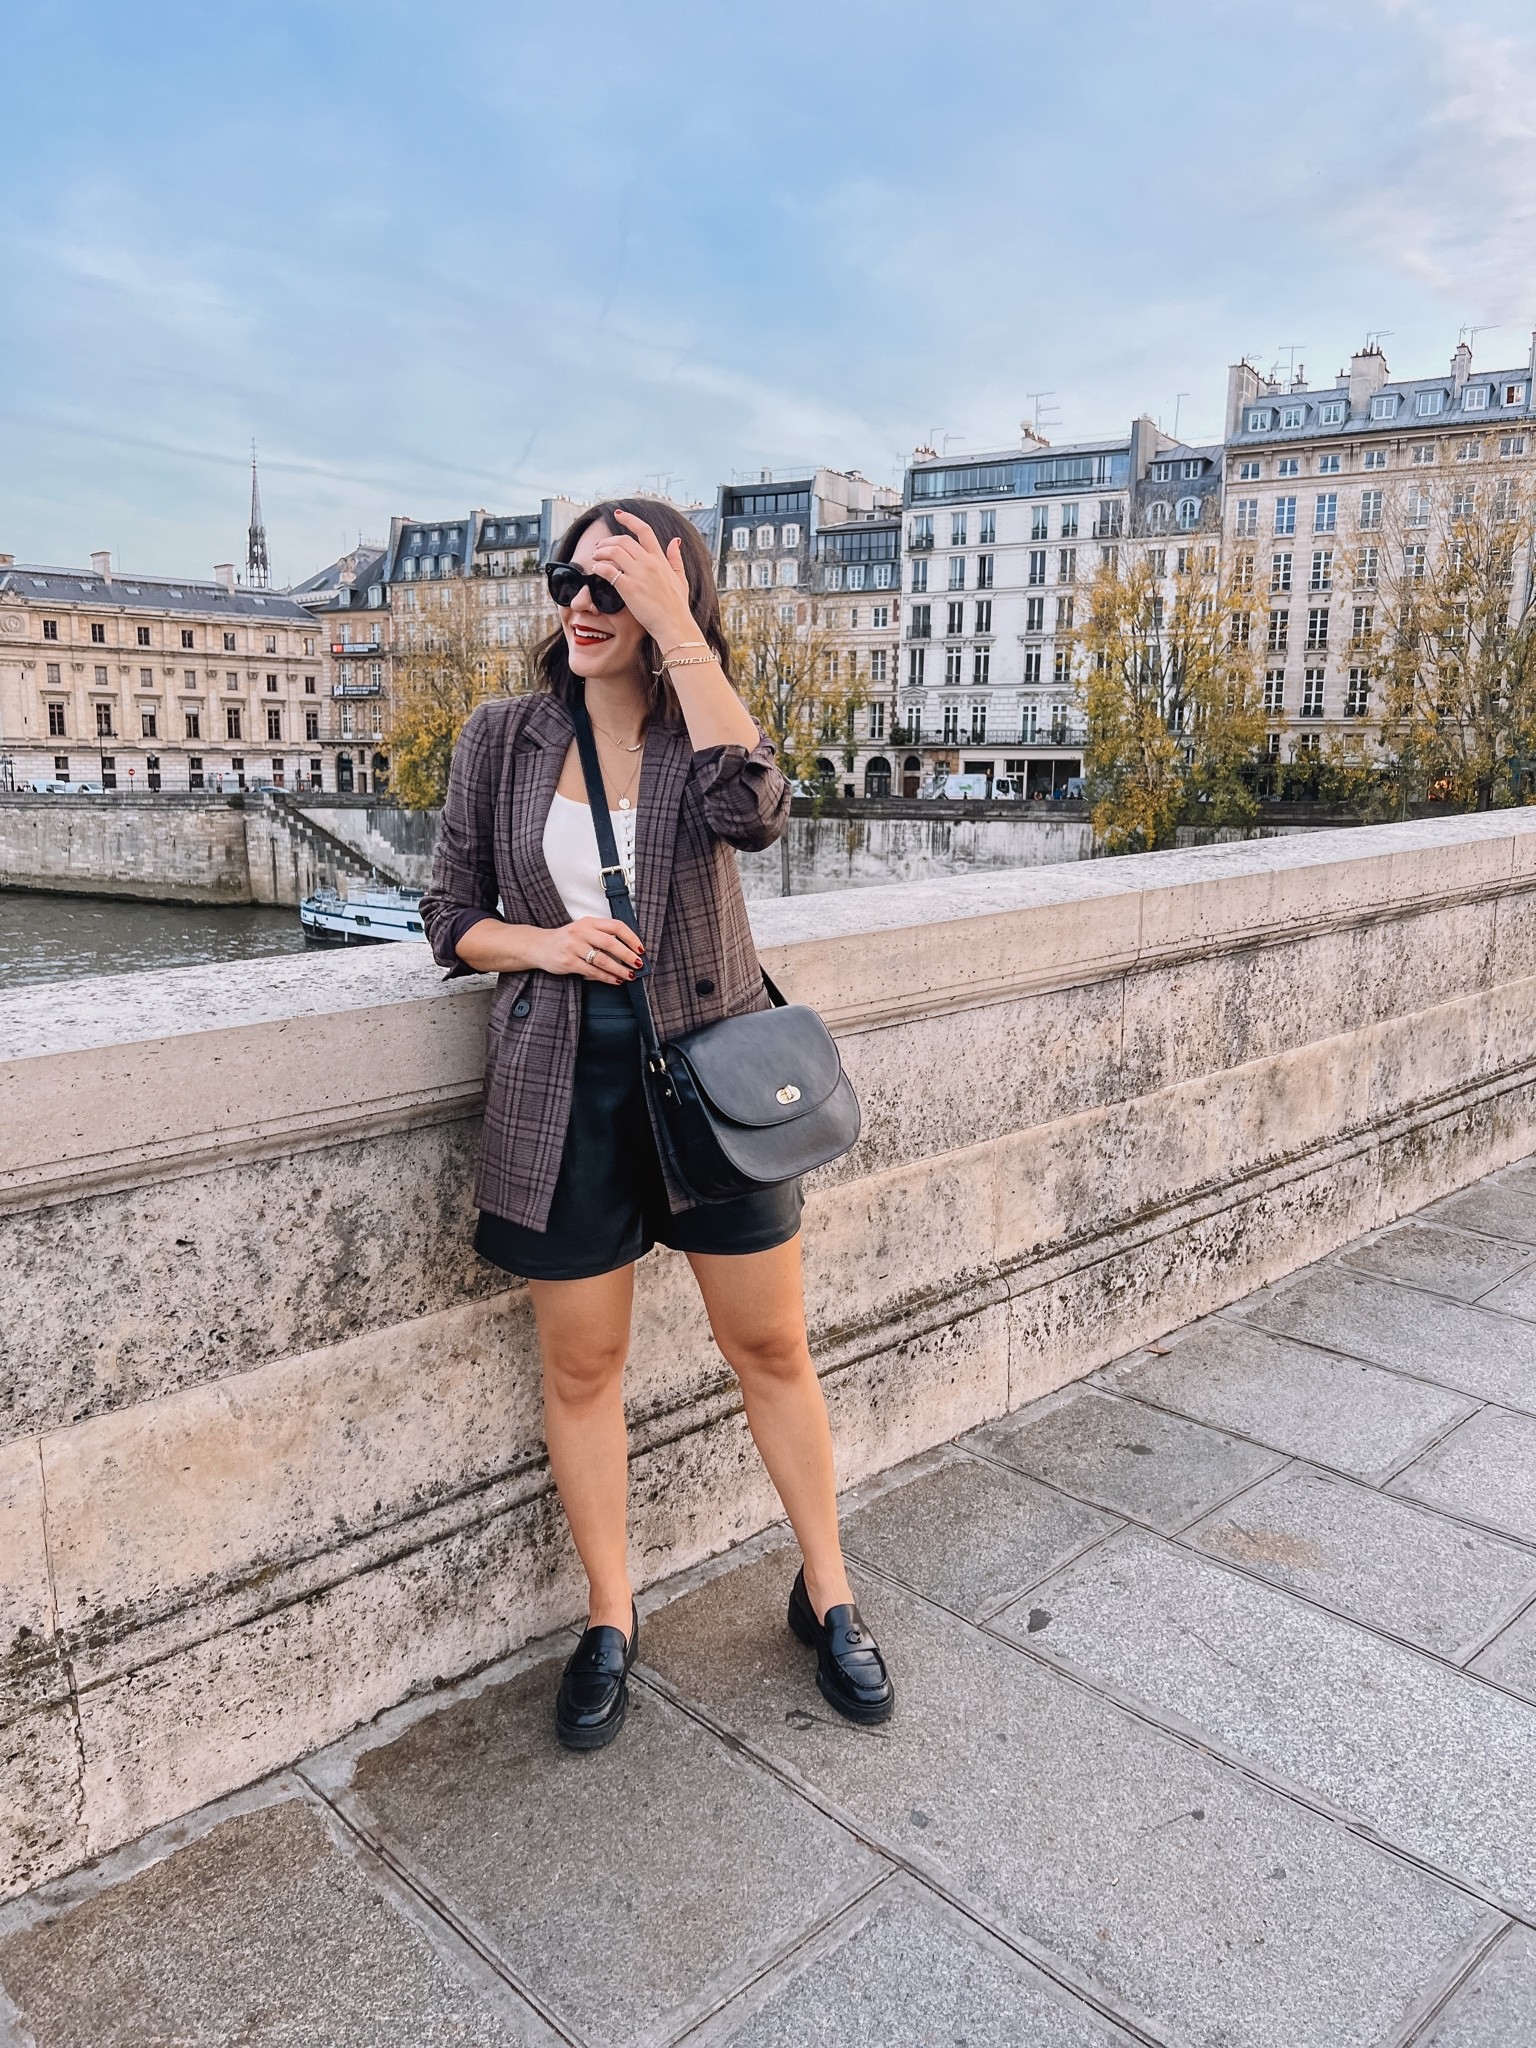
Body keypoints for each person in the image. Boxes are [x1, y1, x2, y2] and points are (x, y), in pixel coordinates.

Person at [421, 498, 893, 1750]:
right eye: (569, 579)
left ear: (668, 601)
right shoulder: (503, 737)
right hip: (562, 1083)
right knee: (583, 1368)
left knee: (772, 1347)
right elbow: (448, 912)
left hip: (716, 1074)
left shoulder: (701, 731)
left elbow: (758, 811)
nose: (582, 604)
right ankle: (611, 1613)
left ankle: (828, 1589)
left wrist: (684, 632)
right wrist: (547, 943)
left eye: (613, 586)